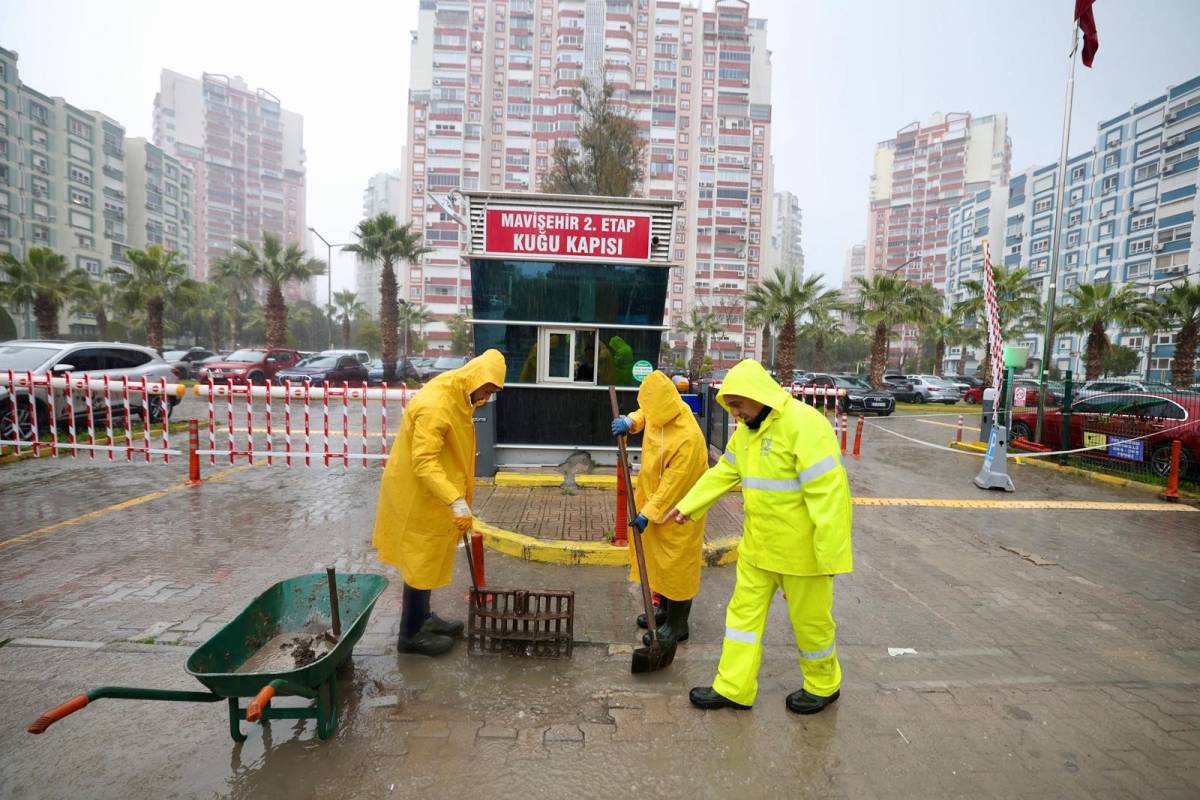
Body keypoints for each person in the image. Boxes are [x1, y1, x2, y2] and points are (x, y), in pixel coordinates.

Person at [664, 358, 853, 715]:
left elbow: (829, 495)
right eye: (729, 406)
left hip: (804, 555)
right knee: (741, 621)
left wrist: (831, 556)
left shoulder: (804, 425)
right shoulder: (745, 434)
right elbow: (724, 473)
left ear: (758, 394)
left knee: (811, 624)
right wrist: (689, 505)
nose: (734, 413)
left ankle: (823, 685)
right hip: (756, 549)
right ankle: (733, 687)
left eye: (737, 404)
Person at [373, 349, 506, 656]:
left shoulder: (462, 393)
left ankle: (425, 618)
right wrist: (455, 499)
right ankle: (409, 635)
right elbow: (424, 462)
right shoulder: (437, 404)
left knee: (428, 559)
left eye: (492, 391)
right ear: (476, 378)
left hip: (435, 493)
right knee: (420, 561)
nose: (486, 396)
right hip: (418, 495)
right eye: (487, 389)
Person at [611, 370, 709, 646]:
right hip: (655, 500)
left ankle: (678, 625)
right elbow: (645, 412)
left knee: (677, 565)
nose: (648, 416)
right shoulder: (660, 411)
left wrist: (647, 513)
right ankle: (665, 611)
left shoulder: (687, 438)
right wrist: (630, 421)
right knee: (659, 561)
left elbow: (672, 487)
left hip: (679, 511)